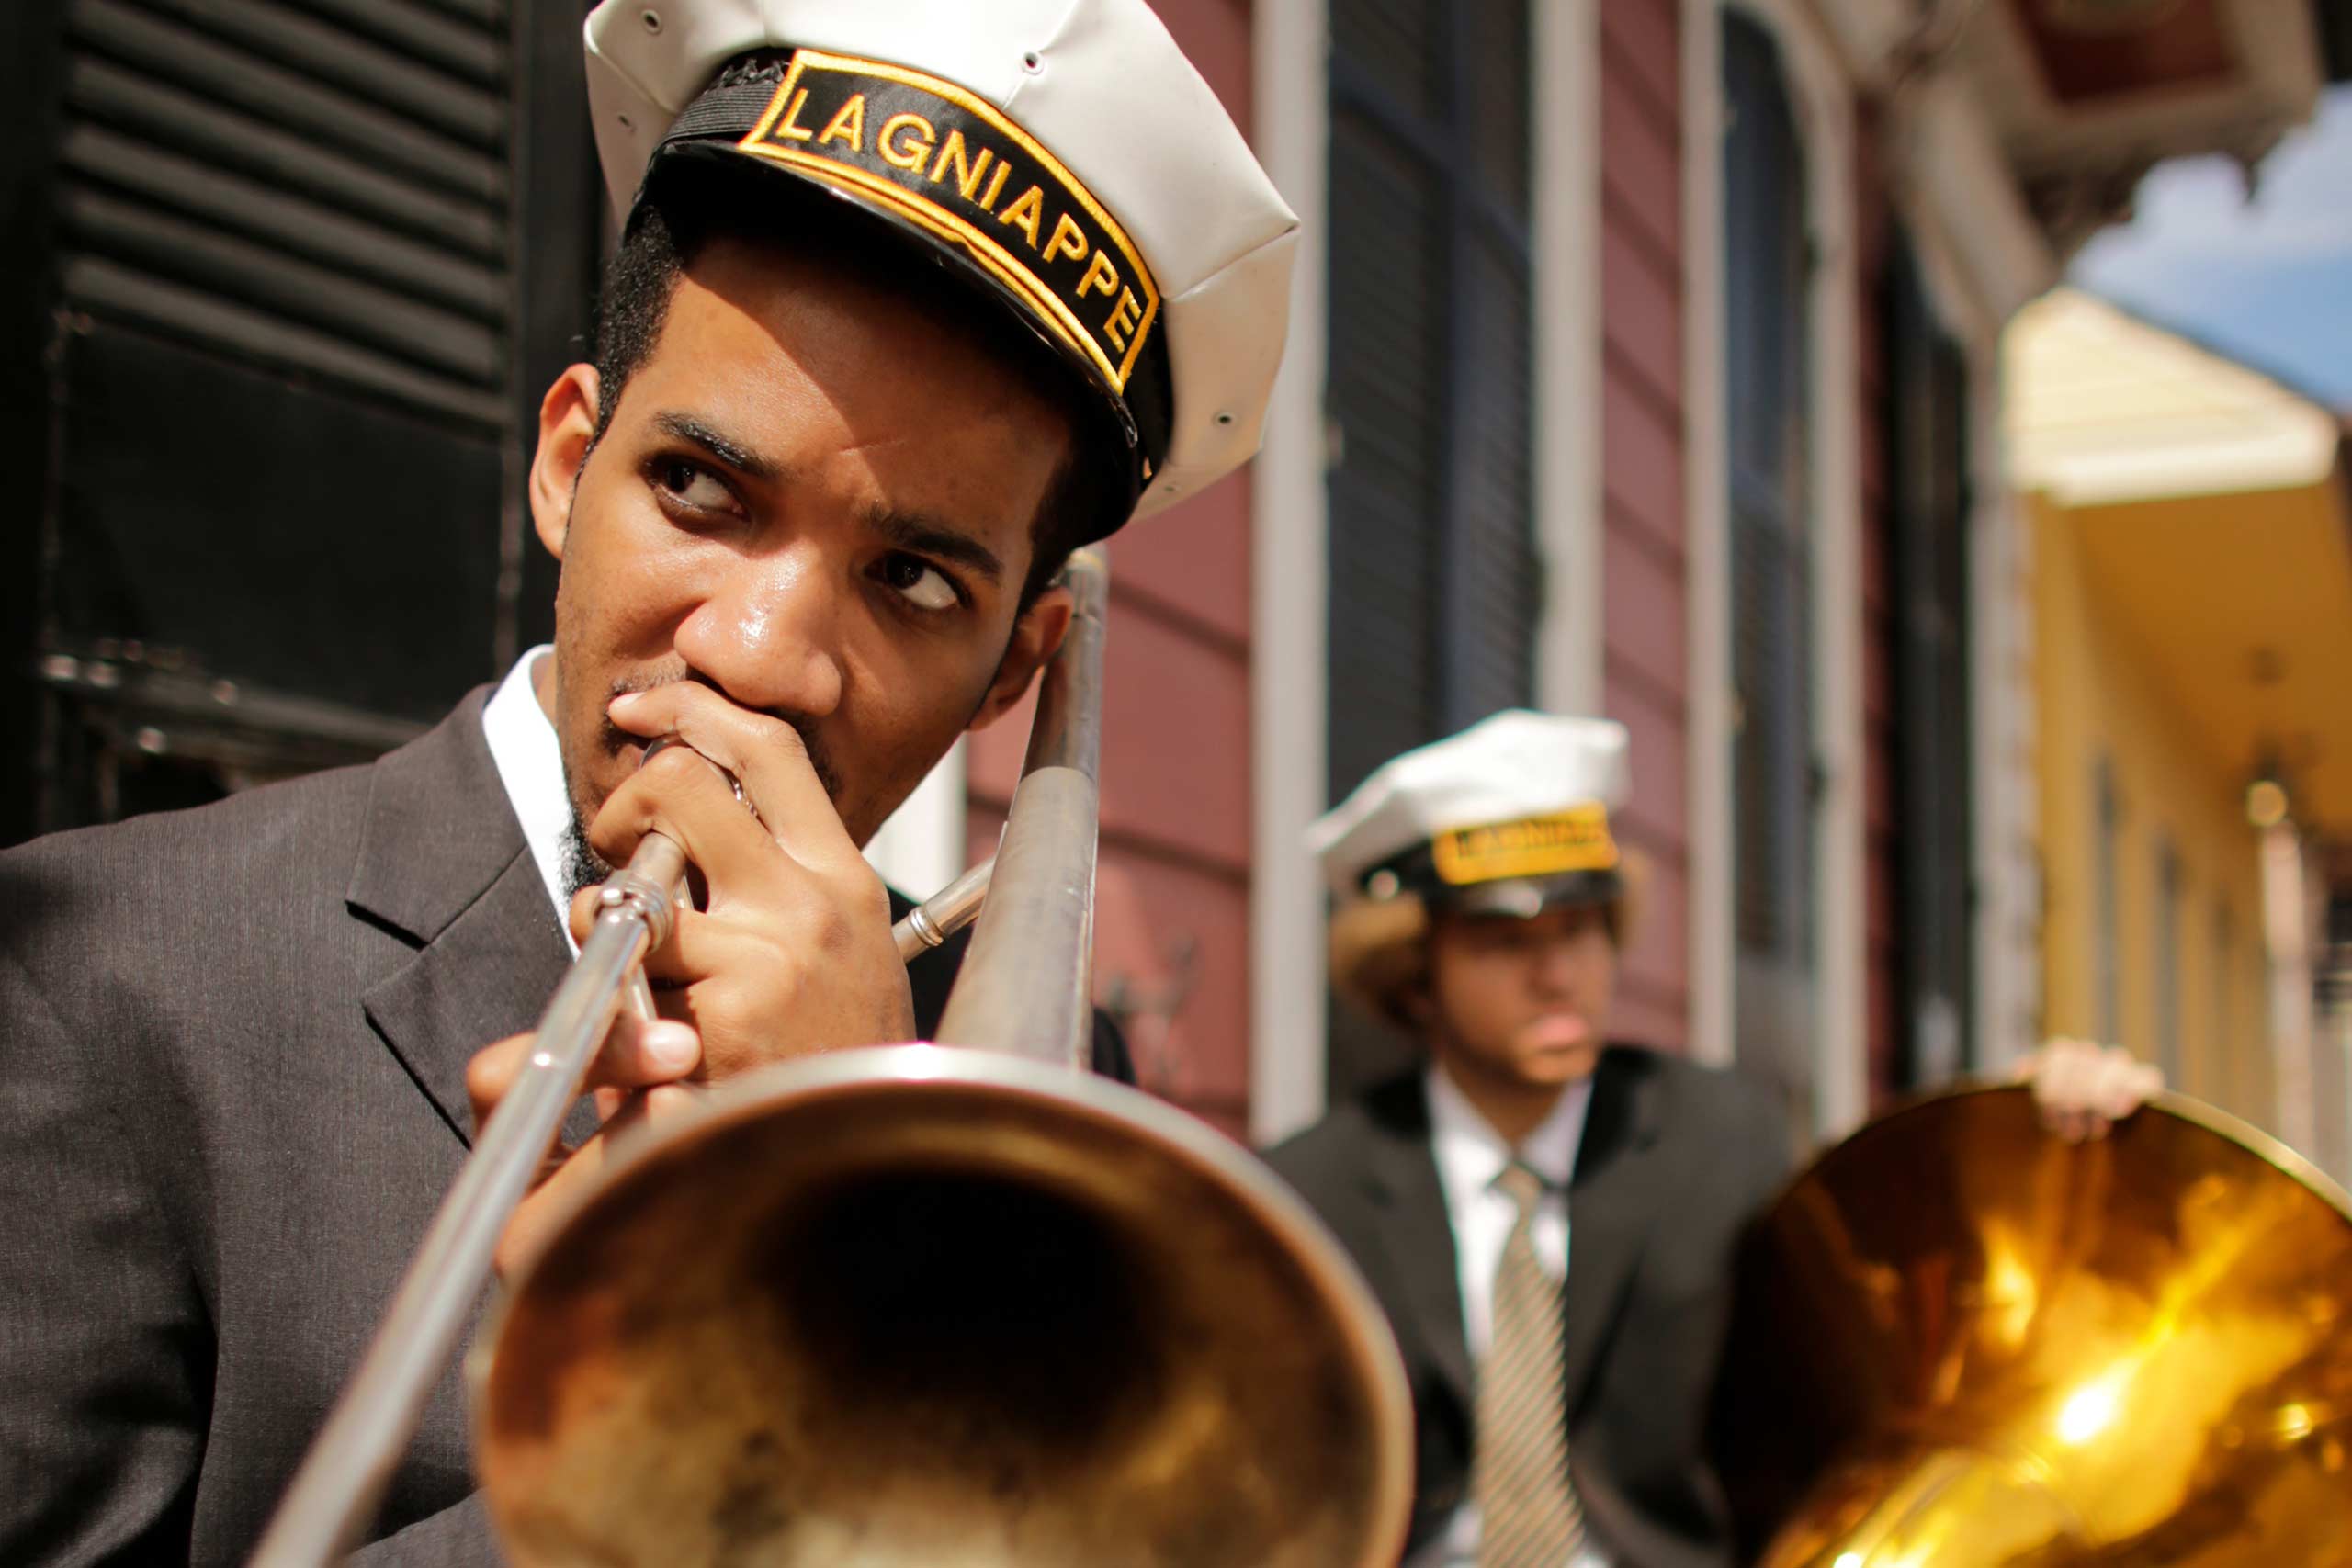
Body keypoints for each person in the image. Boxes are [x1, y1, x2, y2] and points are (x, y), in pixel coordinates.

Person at [0, 3, 1297, 1562]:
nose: (758, 655)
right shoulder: (101, 978)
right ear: (565, 464)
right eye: (699, 490)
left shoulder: (1023, 1063)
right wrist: (707, 1441)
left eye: (912, 580)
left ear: (1016, 673)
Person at [1262, 710, 2160, 1568]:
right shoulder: (1309, 1189)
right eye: (1504, 939)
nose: (1557, 973)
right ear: (1414, 973)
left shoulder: (1720, 1139)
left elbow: (1896, 1305)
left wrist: (2044, 1126)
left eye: (1580, 928)